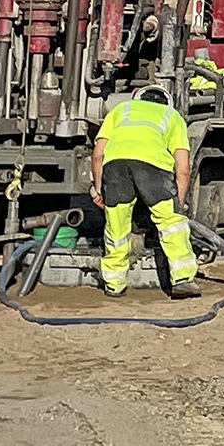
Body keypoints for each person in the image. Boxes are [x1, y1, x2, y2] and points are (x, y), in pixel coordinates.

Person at [90, 85, 199, 299]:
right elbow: (183, 168)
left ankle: (114, 284)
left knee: (116, 229)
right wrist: (180, 200)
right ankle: (183, 280)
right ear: (166, 102)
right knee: (171, 225)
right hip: (154, 168)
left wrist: (98, 188)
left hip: (115, 167)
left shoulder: (121, 110)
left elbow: (97, 155)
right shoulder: (172, 116)